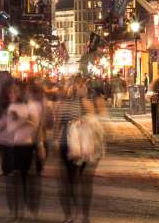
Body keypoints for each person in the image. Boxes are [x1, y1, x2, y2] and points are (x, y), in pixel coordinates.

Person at [0, 79, 40, 221]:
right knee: (10, 180)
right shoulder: (0, 106)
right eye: (10, 91)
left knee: (23, 178)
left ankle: (23, 211)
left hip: (24, 145)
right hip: (6, 144)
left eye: (16, 90)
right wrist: (7, 117)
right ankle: (13, 211)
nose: (13, 93)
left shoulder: (28, 106)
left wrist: (23, 120)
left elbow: (35, 124)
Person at [54, 76, 102, 223]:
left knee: (84, 181)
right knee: (69, 181)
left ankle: (83, 215)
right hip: (67, 144)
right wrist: (55, 143)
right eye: (77, 86)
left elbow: (94, 122)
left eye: (81, 86)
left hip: (85, 145)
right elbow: (58, 125)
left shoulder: (85, 102)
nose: (80, 88)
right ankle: (71, 214)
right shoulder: (63, 104)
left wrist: (85, 121)